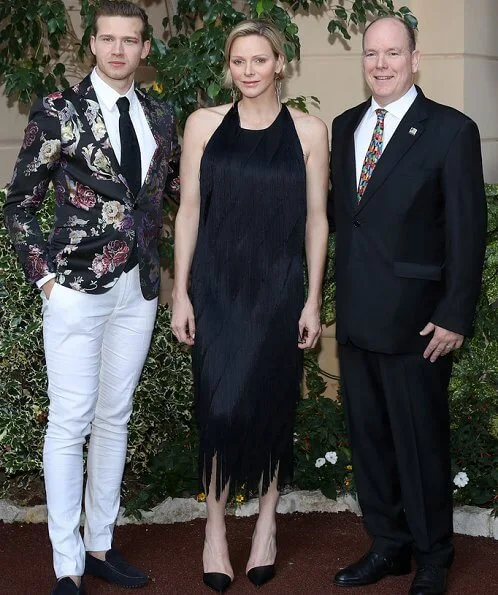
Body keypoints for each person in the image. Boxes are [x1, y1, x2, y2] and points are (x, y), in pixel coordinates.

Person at [3, 2, 179, 593]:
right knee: (70, 420)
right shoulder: (57, 111)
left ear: (144, 48)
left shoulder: (160, 113)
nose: (118, 50)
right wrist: (45, 280)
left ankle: (101, 545)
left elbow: (169, 193)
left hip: (140, 288)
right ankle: (67, 564)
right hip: (76, 288)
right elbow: (19, 203)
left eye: (130, 40)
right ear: (93, 45)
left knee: (114, 418)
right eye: (108, 39)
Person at [328, 16, 487, 595]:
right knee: (369, 440)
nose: (381, 64)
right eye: (372, 53)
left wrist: (455, 313)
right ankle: (388, 547)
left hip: (420, 324)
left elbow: (469, 233)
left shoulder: (450, 130)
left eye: (393, 53)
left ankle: (432, 558)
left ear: (415, 59)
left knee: (419, 443)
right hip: (357, 320)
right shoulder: (345, 128)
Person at [172, 18, 329, 593]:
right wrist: (180, 289)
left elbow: (318, 219)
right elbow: (187, 212)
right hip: (216, 288)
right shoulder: (202, 125)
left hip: (278, 290)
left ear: (279, 63)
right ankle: (215, 531)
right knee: (217, 407)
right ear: (229, 67)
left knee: (270, 406)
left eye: (259, 60)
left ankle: (265, 527)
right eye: (239, 62)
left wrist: (312, 298)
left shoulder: (310, 132)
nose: (248, 71)